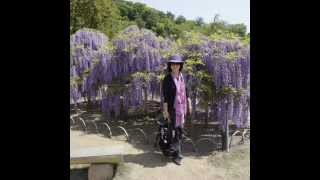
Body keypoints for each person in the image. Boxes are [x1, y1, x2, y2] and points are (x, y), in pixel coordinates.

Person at [162, 54, 188, 165]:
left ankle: (171, 149)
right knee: (175, 131)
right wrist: (165, 110)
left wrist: (189, 102)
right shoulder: (167, 79)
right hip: (172, 109)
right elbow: (165, 96)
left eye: (177, 64)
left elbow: (185, 91)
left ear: (180, 65)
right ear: (170, 66)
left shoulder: (182, 77)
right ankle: (177, 155)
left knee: (178, 131)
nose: (175, 66)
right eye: (173, 64)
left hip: (181, 109)